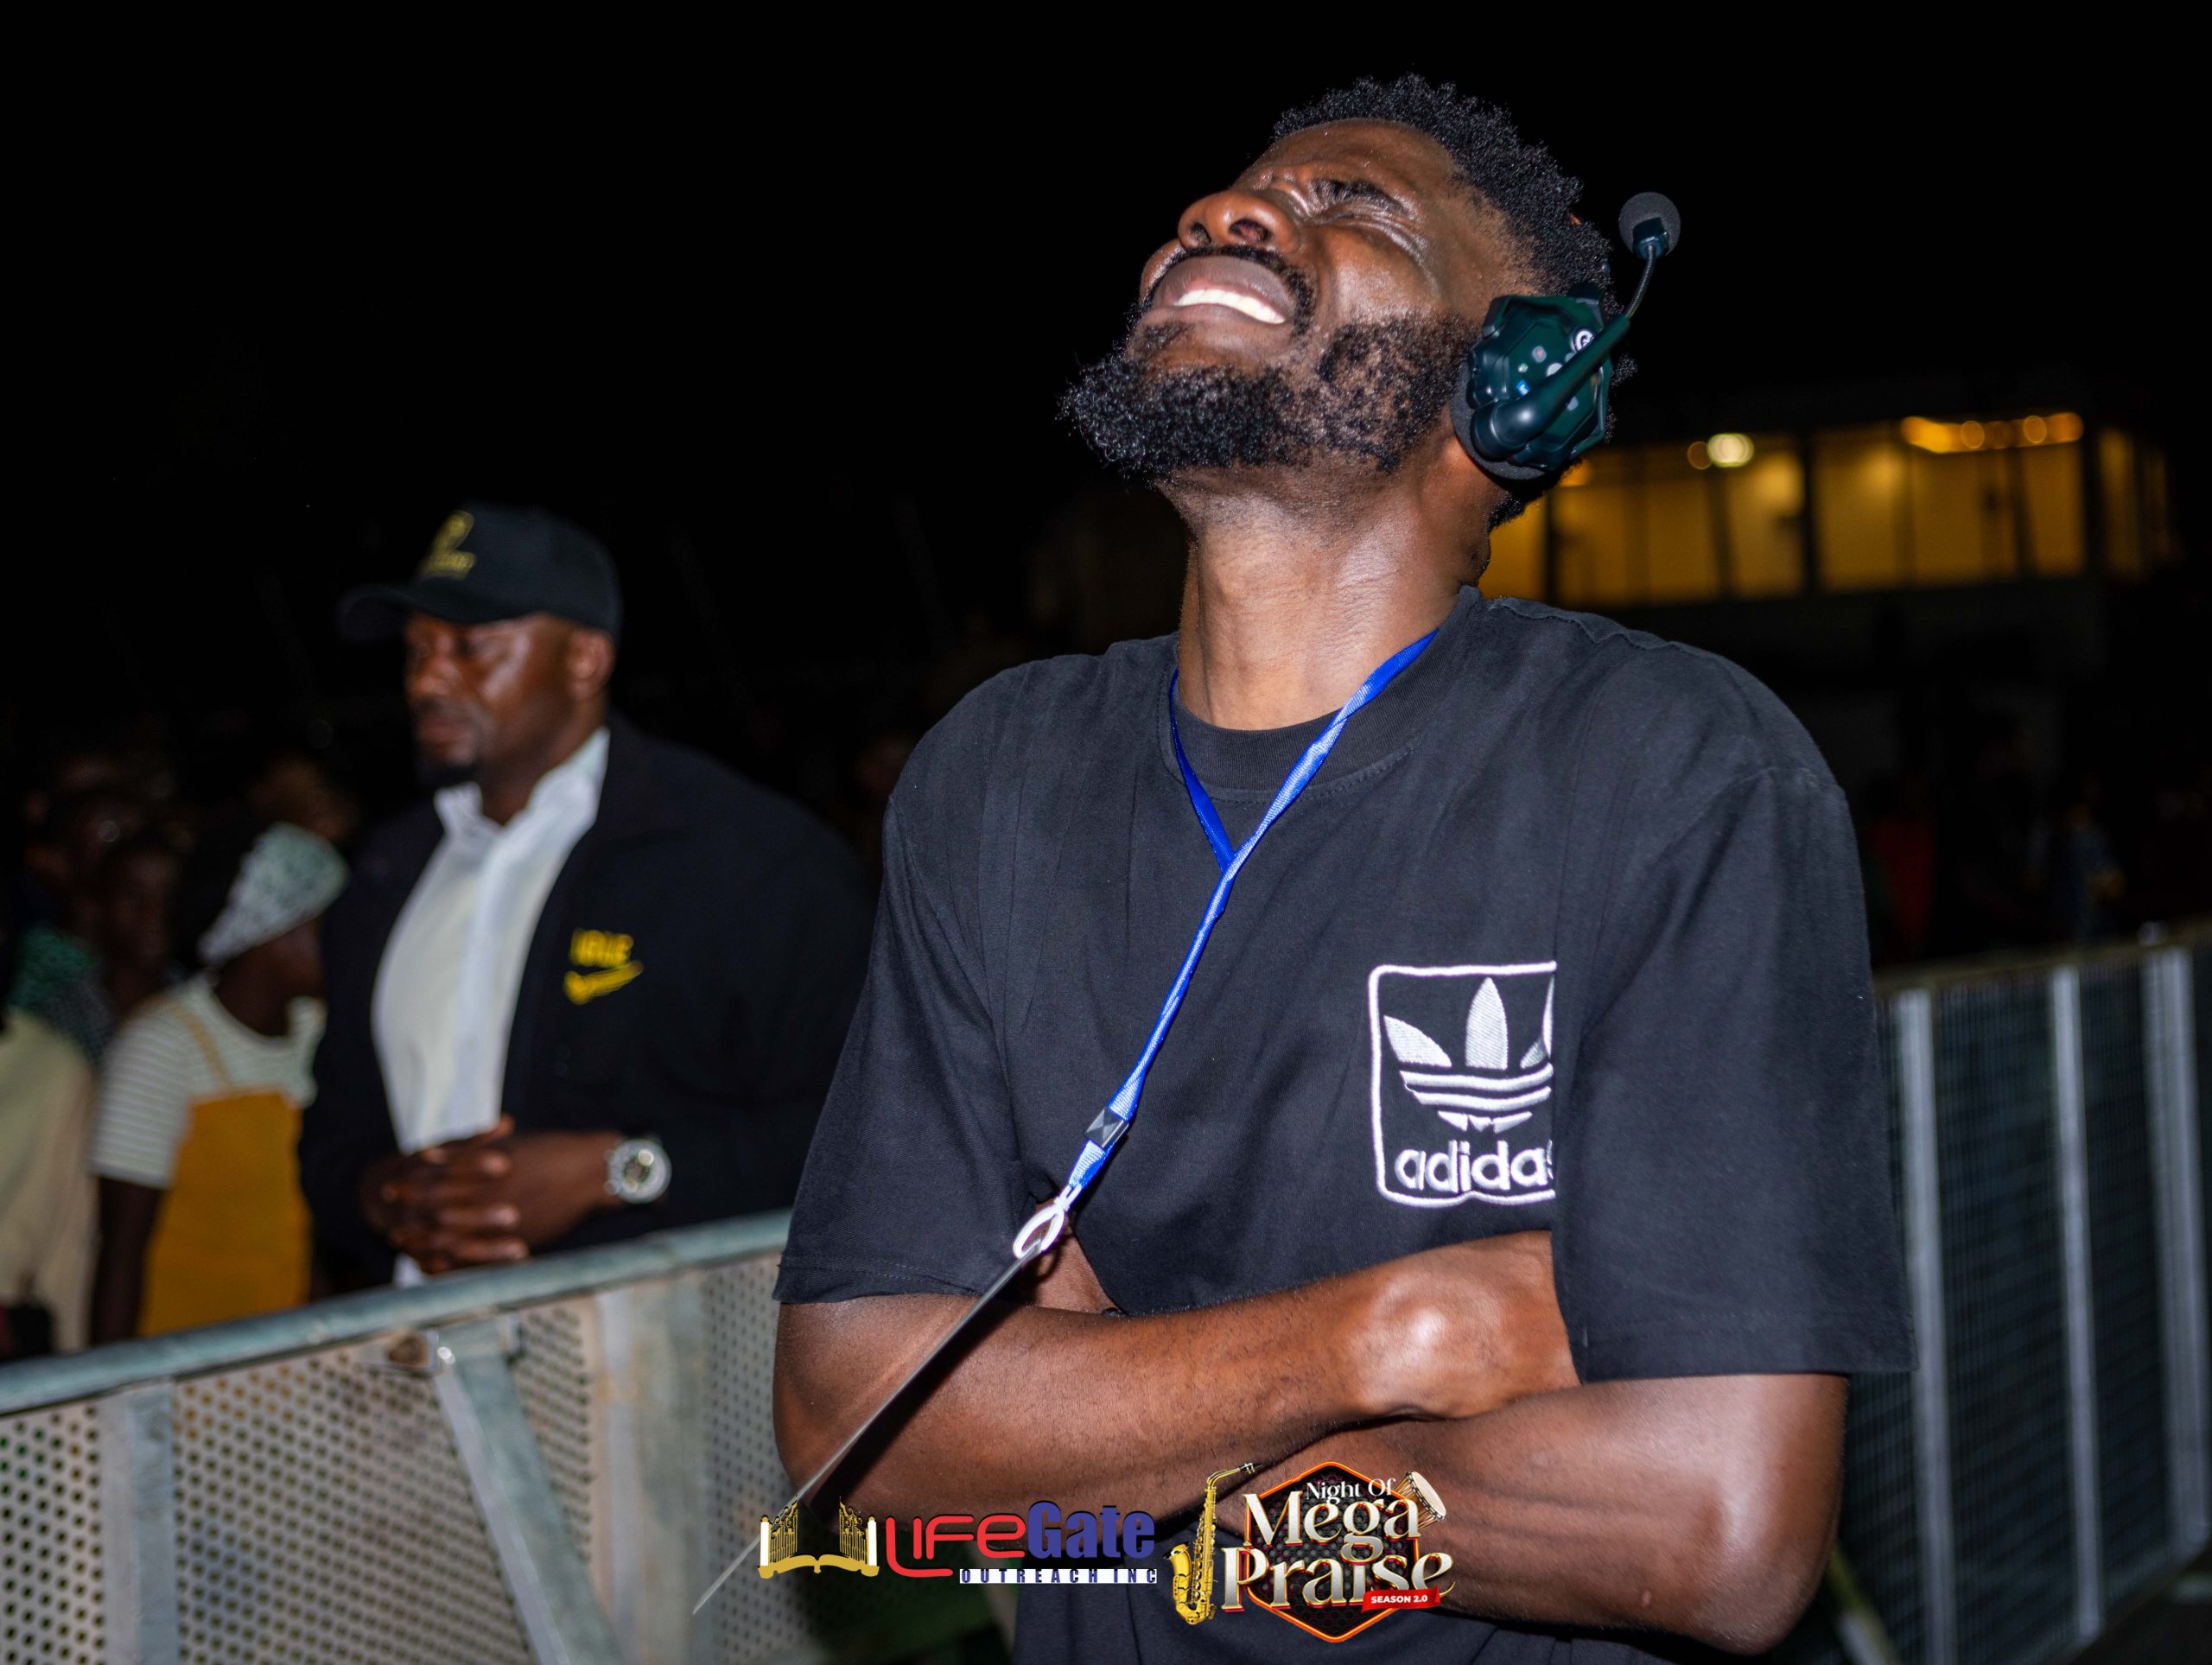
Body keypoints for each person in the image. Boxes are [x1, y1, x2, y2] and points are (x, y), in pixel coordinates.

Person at [773, 76, 1911, 1662]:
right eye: (1227, 195)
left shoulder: (1672, 764)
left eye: (1355, 208)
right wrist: (1397, 1331)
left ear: (1519, 381)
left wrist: (1095, 1433)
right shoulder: (995, 773)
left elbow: (1712, 1526)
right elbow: (861, 1438)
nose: (1222, 213)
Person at [299, 502, 872, 1286]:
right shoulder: (386, 873)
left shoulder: (747, 859)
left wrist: (620, 1171)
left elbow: (863, 1132)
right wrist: (380, 1195)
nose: (427, 680)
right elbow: (332, 1135)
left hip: (664, 1343)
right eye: (417, 649)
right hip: (416, 1340)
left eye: (471, 647)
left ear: (585, 660)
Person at [87, 822, 343, 1341]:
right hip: (187, 1354)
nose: (350, 940)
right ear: (276, 933)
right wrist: (115, 1382)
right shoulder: (162, 1046)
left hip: (288, 1349)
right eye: (329, 925)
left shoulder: (316, 1031)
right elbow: (120, 1255)